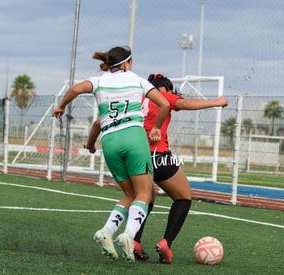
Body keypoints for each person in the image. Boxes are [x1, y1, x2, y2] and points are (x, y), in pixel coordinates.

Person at [85, 73, 228, 264]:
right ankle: (166, 243)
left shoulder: (133, 97)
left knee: (144, 197)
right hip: (157, 156)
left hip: (132, 156)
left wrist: (91, 144)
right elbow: (184, 104)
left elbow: (97, 123)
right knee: (183, 197)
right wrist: (217, 102)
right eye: (170, 91)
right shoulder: (160, 96)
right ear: (164, 89)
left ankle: (134, 241)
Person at [52, 47, 170, 263]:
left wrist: (61, 106)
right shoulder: (138, 80)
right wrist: (156, 128)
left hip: (110, 141)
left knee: (129, 194)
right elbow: (164, 103)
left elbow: (76, 89)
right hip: (134, 137)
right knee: (145, 194)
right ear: (126, 64)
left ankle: (106, 232)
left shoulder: (98, 81)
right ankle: (129, 235)